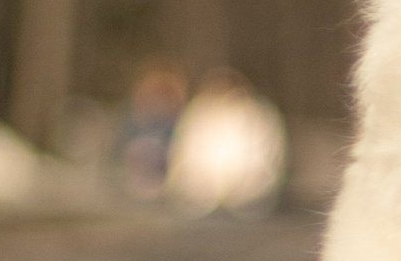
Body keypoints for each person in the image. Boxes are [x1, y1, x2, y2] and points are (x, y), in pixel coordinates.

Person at [164, 68, 288, 215]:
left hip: (248, 201)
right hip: (200, 201)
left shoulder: (257, 115)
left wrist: (246, 188)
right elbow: (184, 154)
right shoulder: (199, 113)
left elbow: (267, 158)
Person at [114, 63, 186, 203]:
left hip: (167, 198)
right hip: (128, 194)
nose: (158, 103)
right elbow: (115, 158)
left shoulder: (179, 127)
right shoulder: (130, 124)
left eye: (164, 95)